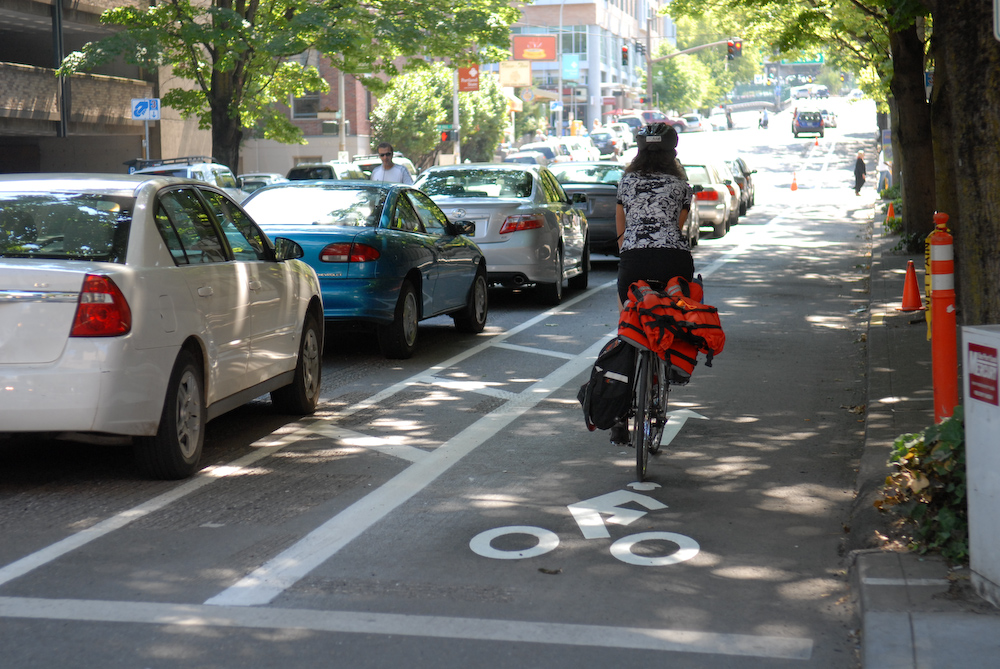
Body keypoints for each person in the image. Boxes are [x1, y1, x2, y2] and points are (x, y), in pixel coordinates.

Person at [611, 122, 695, 445]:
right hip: (674, 261)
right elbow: (678, 226)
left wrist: (630, 257)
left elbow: (621, 231)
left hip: (634, 261)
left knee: (627, 322)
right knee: (670, 311)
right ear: (672, 153)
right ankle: (669, 366)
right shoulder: (680, 185)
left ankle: (621, 414)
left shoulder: (626, 182)